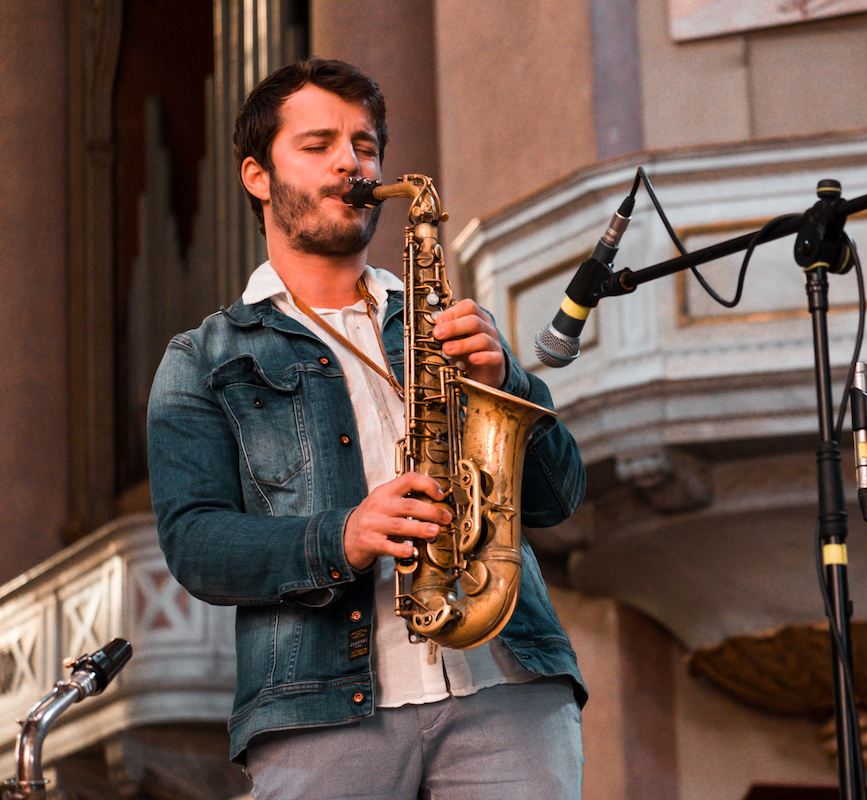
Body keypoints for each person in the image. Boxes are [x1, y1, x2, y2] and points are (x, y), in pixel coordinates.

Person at [147, 57, 587, 799]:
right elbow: (195, 544)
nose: (351, 162)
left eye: (366, 145)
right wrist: (341, 536)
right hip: (319, 714)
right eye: (318, 144)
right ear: (258, 176)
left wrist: (506, 381)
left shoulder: (445, 324)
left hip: (509, 686)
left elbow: (558, 498)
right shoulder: (202, 358)